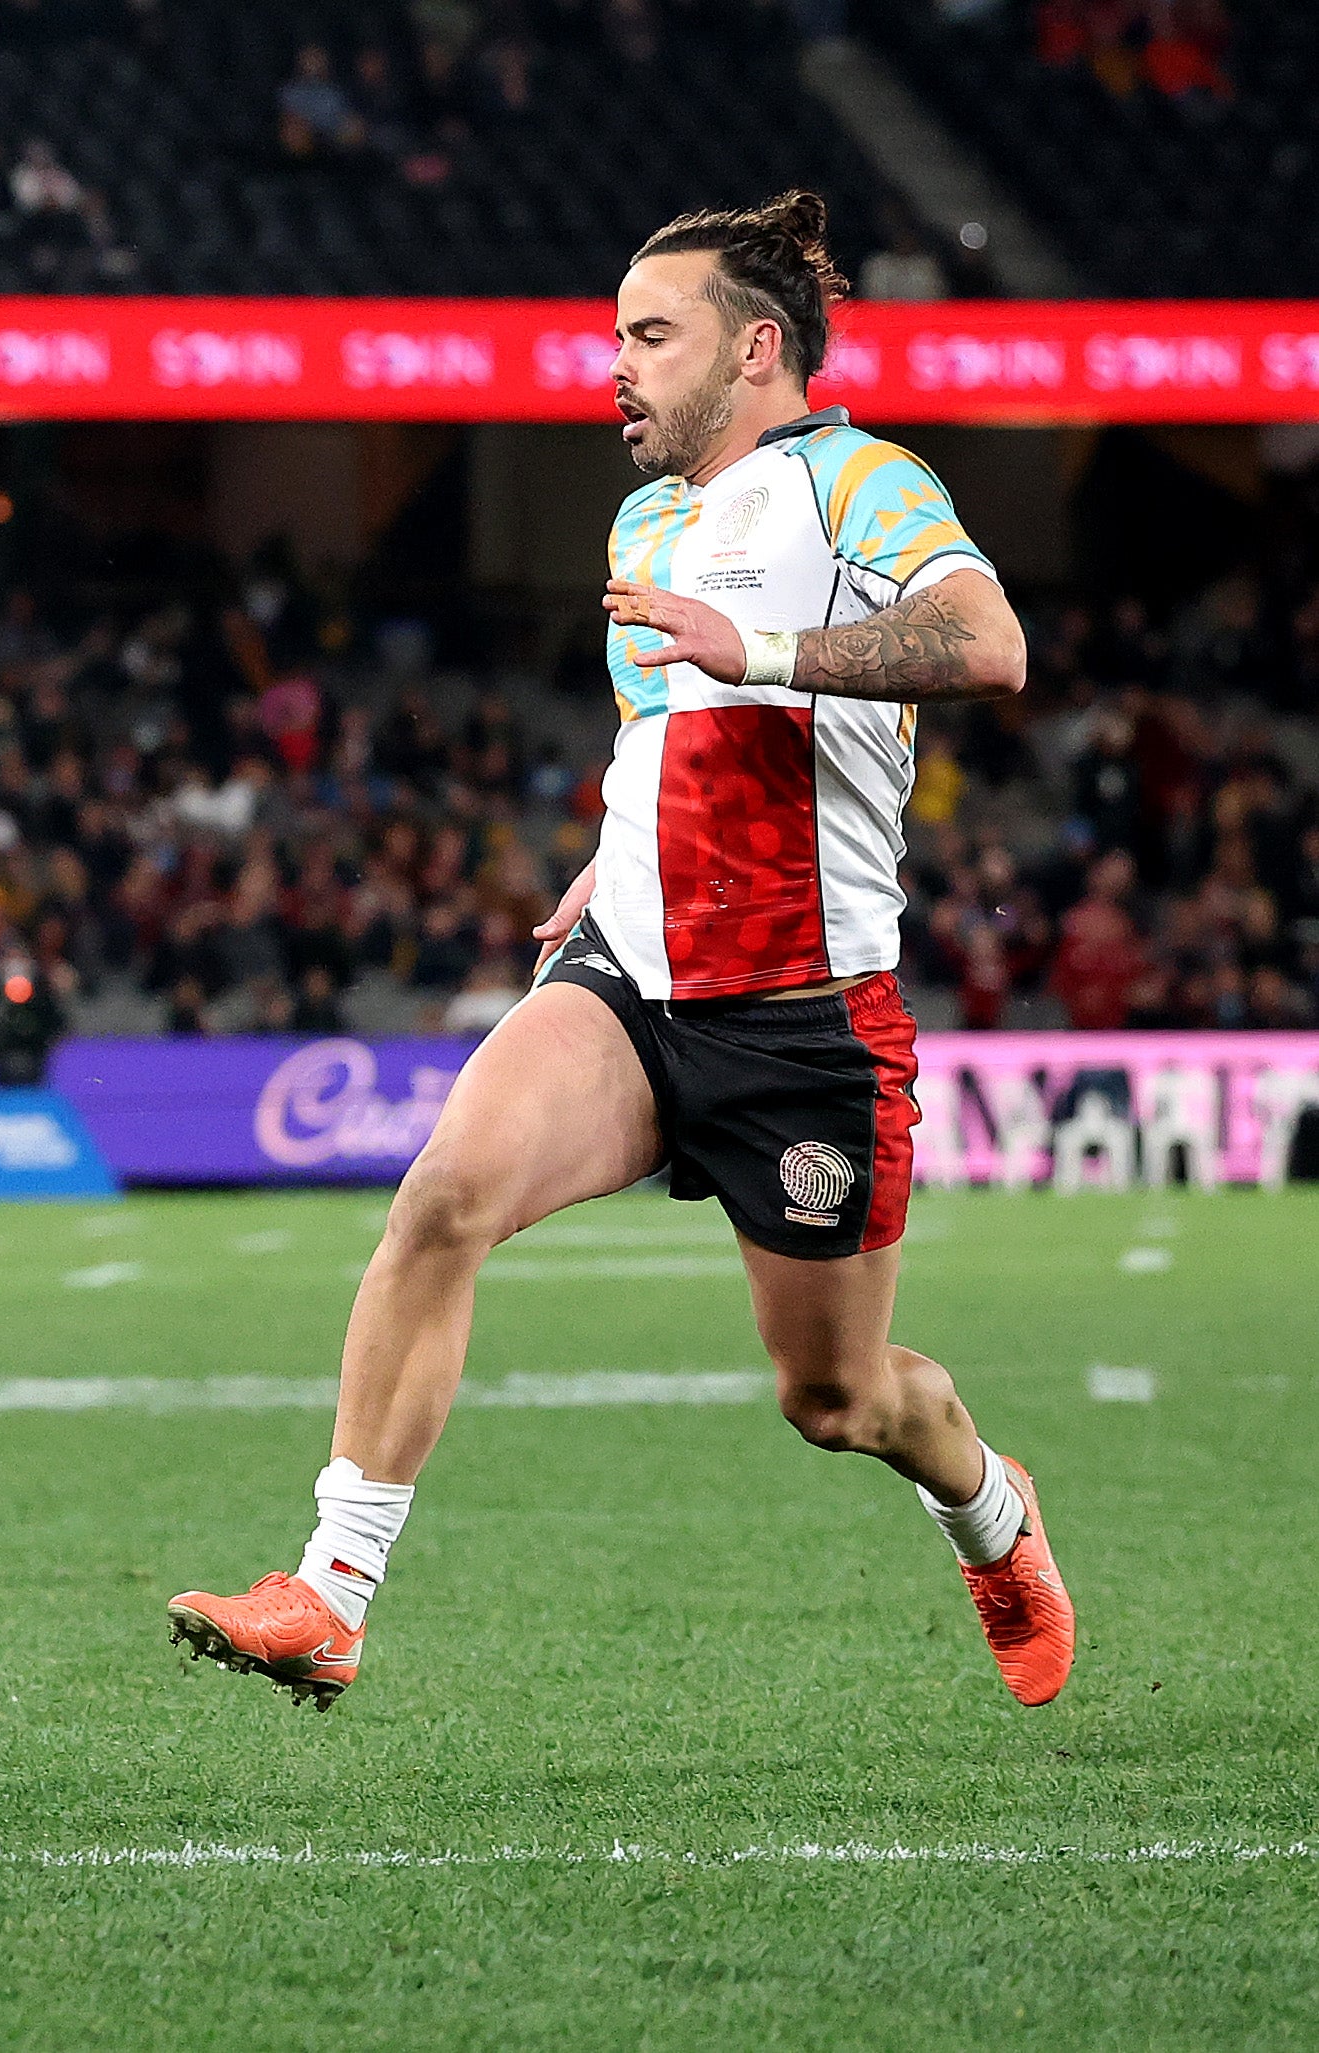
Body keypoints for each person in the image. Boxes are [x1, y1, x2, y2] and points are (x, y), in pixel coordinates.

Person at [168, 193, 1070, 1713]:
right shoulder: (641, 522)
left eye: (649, 336)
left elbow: (988, 648)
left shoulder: (859, 481)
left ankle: (988, 1512)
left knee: (836, 1399)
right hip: (627, 978)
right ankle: (327, 1592)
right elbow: (665, 726)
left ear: (756, 346)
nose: (615, 366)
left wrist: (760, 652)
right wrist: (616, 840)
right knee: (440, 1198)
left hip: (797, 1016)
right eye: (612, 336)